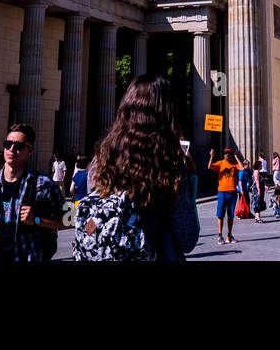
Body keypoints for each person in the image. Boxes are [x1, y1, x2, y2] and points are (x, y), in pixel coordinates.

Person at [79, 73, 199, 260]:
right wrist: (190, 182)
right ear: (165, 112)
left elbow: (94, 219)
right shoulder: (169, 163)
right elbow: (187, 239)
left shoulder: (101, 160)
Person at [0, 124, 65, 261]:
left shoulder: (43, 184)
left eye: (19, 146)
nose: (12, 149)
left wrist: (36, 219)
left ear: (30, 150)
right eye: (8, 144)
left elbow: (70, 219)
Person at [208, 147, 243, 243]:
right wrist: (211, 156)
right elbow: (209, 167)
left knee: (230, 216)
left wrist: (236, 156)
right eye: (225, 153)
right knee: (220, 215)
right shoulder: (221, 163)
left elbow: (242, 168)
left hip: (232, 193)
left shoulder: (235, 164)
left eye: (229, 153)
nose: (227, 154)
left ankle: (229, 236)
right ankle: (220, 236)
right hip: (222, 193)